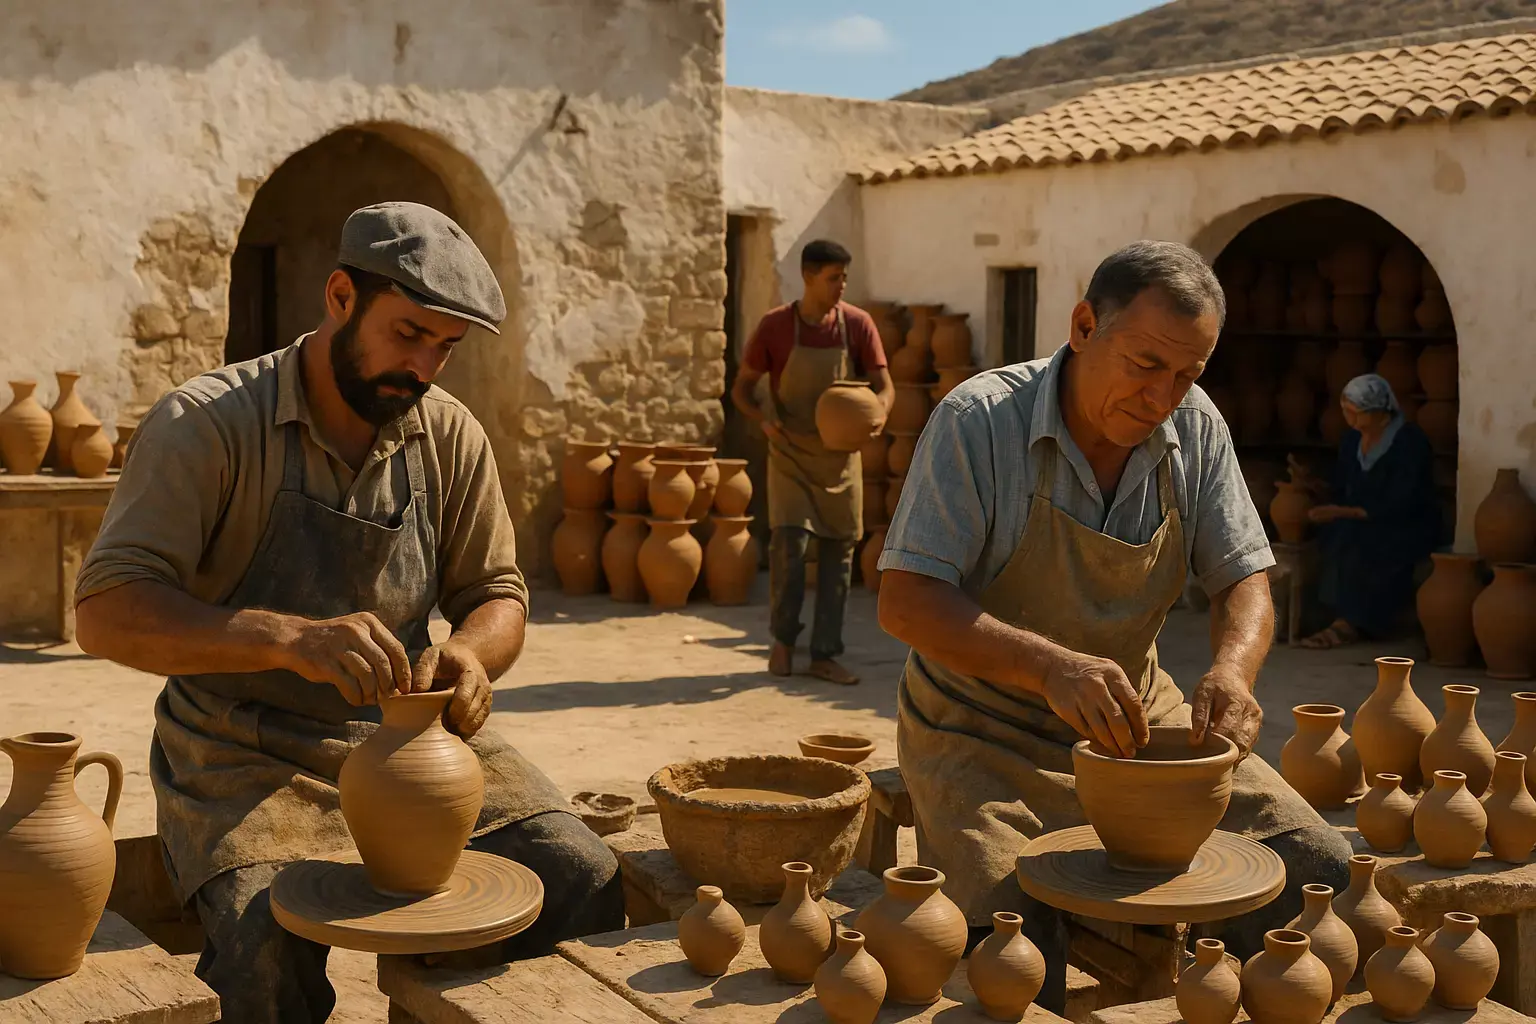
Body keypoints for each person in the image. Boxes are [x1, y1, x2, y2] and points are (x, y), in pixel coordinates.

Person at [73, 202, 624, 1024]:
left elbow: (497, 594)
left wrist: (472, 653)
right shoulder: (211, 424)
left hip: (404, 737)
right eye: (408, 335)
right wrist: (287, 637)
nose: (426, 368)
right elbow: (105, 611)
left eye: (447, 347)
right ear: (340, 297)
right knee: (268, 942)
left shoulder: (448, 435)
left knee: (580, 875)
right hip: (239, 748)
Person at [876, 241, 1353, 1015]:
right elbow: (904, 601)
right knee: (1016, 942)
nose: (1162, 395)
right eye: (1144, 364)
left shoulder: (1195, 428)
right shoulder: (979, 420)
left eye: (1187, 375)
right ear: (1084, 325)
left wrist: (1233, 671)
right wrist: (1049, 666)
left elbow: (1246, 577)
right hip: (979, 729)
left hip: (1138, 720)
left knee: (1313, 866)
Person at [730, 239, 892, 686]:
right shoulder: (776, 327)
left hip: (840, 458)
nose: (842, 286)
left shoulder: (857, 325)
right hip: (789, 453)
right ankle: (783, 642)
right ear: (807, 277)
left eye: (844, 278)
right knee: (789, 549)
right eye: (833, 278)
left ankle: (824, 653)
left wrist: (878, 414)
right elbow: (742, 388)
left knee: (840, 555)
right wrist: (762, 420)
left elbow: (885, 385)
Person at [1297, 373, 1441, 649]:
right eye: (1345, 412)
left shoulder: (1409, 442)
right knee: (1334, 536)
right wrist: (1315, 487)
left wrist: (1347, 512)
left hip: (1405, 523)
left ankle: (1353, 623)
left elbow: (1405, 500)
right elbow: (1343, 486)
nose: (1349, 419)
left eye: (1356, 413)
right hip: (1358, 520)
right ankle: (1335, 616)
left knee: (1364, 544)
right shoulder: (1352, 442)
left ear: (1379, 411)